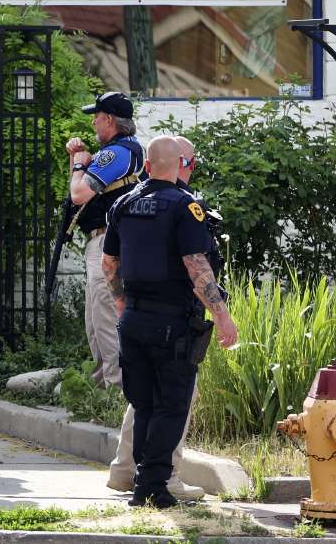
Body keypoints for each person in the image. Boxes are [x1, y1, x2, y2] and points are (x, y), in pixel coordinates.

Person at [101, 135, 239, 509]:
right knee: (171, 405)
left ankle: (141, 483)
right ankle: (153, 485)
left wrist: (121, 306)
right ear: (180, 165)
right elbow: (197, 265)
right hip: (172, 322)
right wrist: (223, 317)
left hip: (133, 319)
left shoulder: (122, 203)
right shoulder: (184, 206)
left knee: (143, 403)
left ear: (146, 165)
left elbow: (108, 264)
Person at [66, 91, 144, 388]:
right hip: (102, 241)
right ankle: (102, 383)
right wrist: (78, 161)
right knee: (95, 318)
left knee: (107, 314)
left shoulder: (117, 152)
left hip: (108, 242)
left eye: (96, 118)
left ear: (109, 119)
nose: (94, 124)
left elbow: (78, 194)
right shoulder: (115, 151)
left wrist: (78, 165)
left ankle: (117, 385)